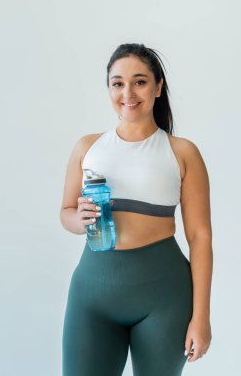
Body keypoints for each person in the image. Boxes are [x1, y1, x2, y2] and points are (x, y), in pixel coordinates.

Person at [60, 43, 213, 376]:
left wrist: (201, 318)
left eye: (140, 81)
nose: (127, 92)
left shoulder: (183, 152)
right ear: (109, 89)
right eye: (117, 83)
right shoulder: (87, 147)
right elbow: (66, 214)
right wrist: (79, 217)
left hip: (165, 298)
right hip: (92, 296)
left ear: (158, 87)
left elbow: (200, 237)